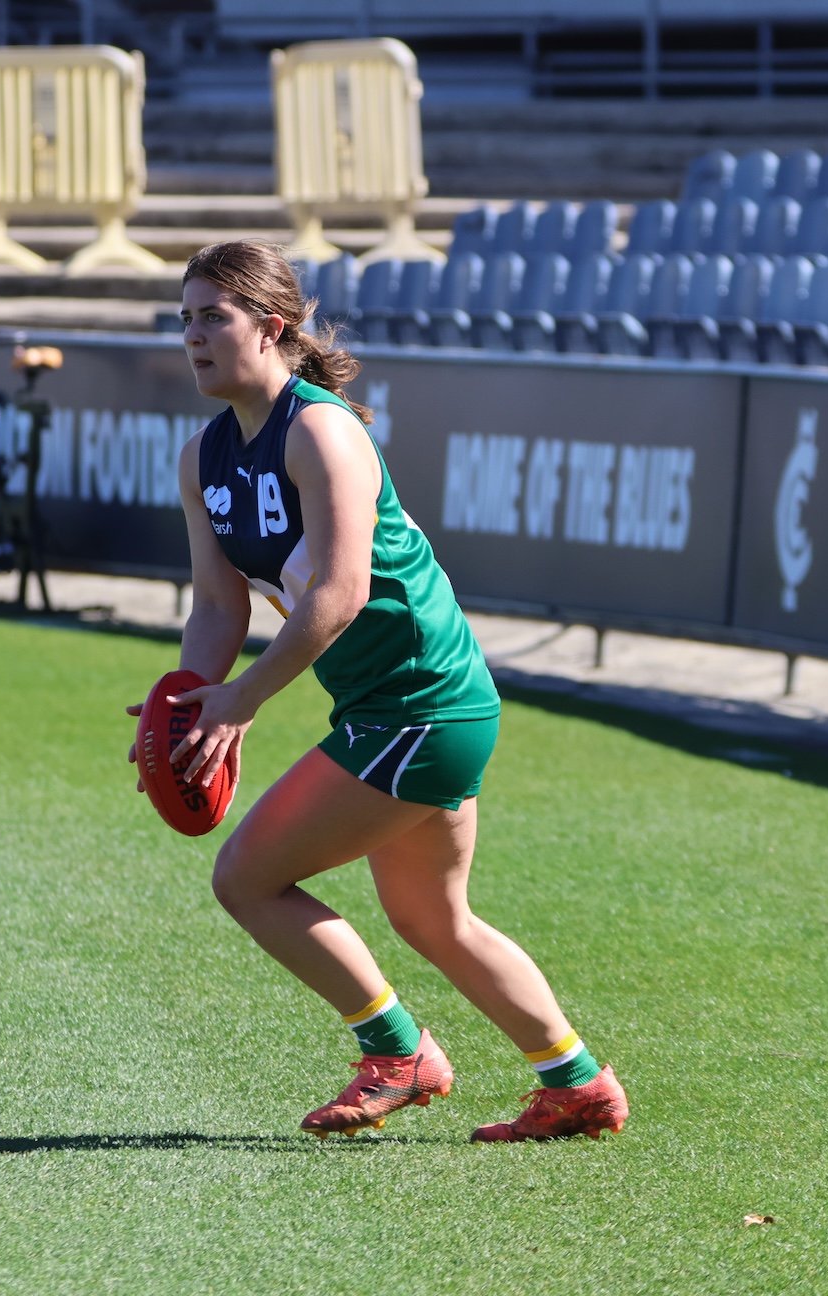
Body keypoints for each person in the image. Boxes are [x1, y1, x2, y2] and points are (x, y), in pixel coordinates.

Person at [137, 241, 628, 1143]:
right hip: (405, 711)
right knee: (433, 918)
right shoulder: (201, 455)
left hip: (421, 706)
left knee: (247, 879)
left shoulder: (320, 430)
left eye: (214, 316)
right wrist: (193, 703)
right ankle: (577, 1083)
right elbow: (216, 604)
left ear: (272, 328)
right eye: (185, 318)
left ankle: (398, 1055)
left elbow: (340, 593)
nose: (194, 336)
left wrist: (245, 701)